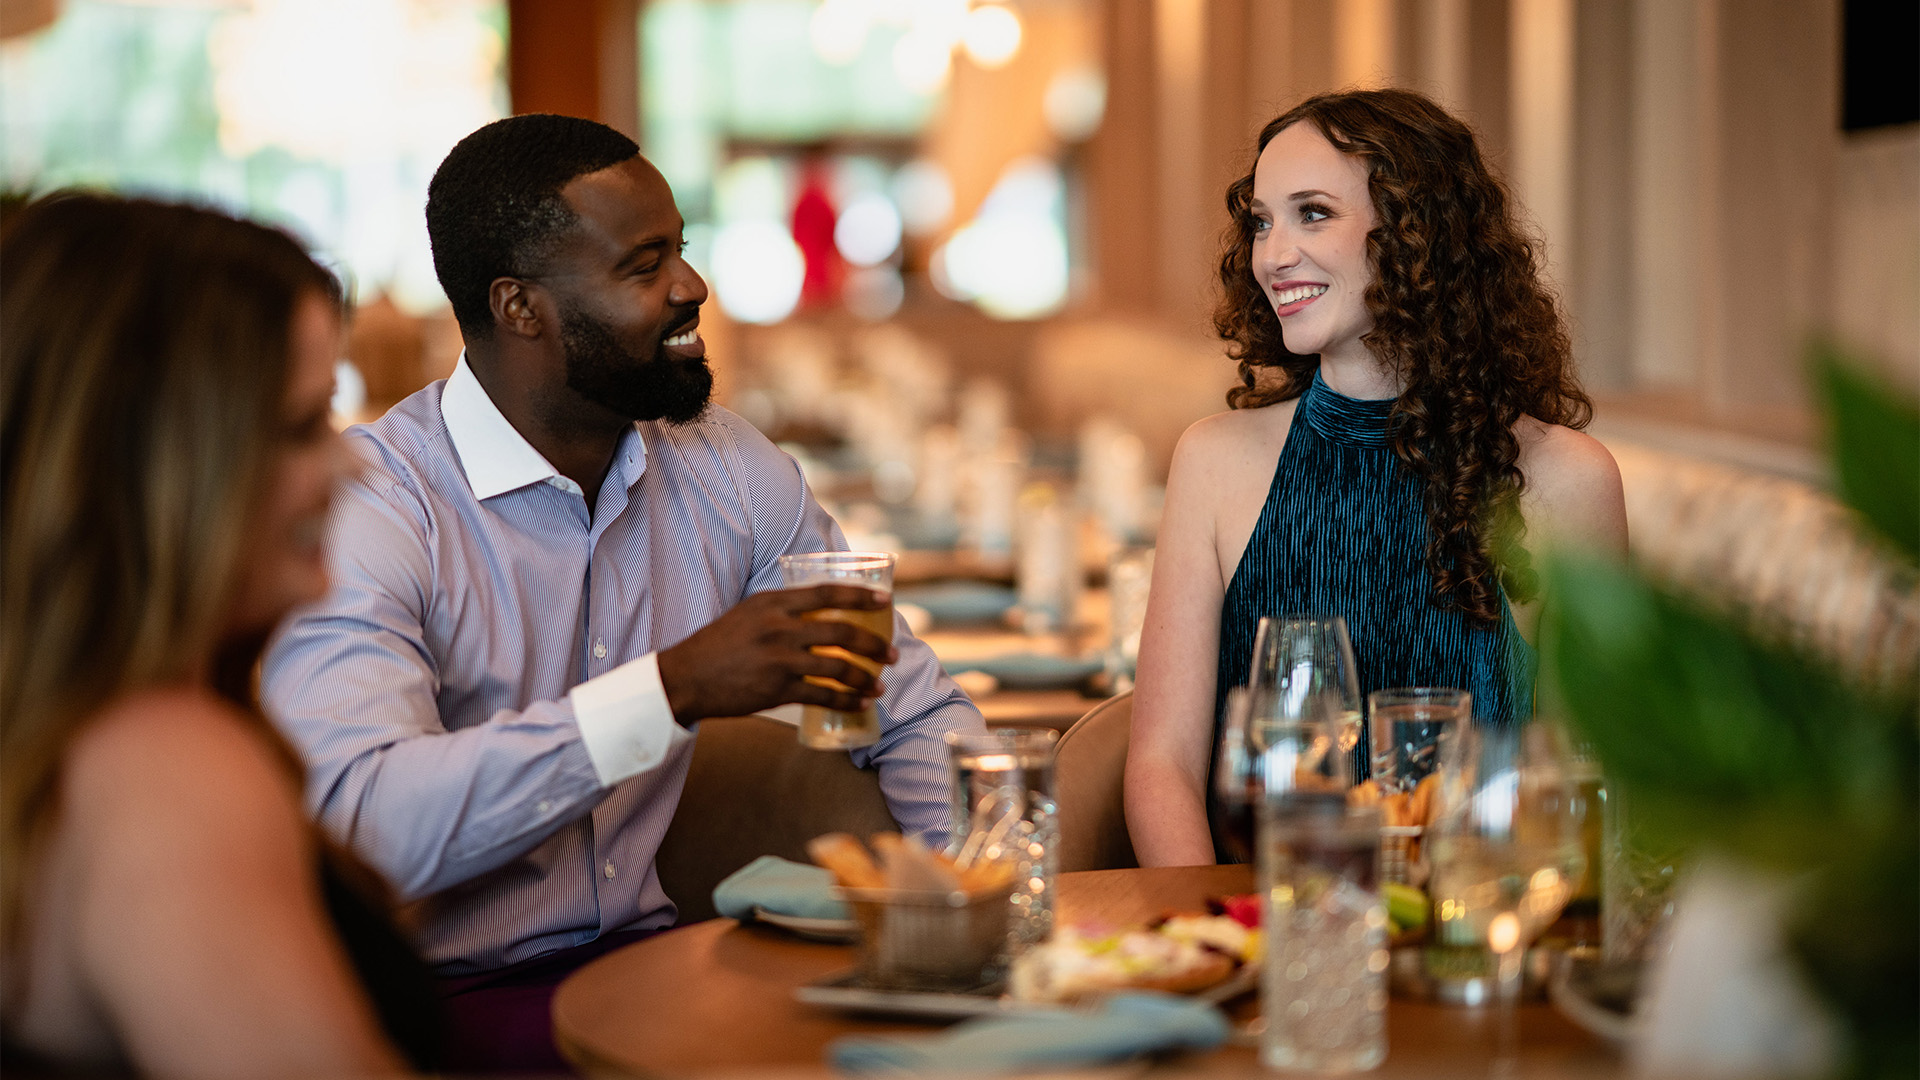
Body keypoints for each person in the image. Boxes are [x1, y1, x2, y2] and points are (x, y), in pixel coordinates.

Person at [259, 114, 985, 1071]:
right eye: (645, 267)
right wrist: (667, 692)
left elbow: (913, 713)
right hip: (445, 1011)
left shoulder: (723, 464)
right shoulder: (380, 508)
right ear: (521, 308)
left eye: (681, 250)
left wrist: (987, 929)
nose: (693, 287)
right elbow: (365, 826)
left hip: (666, 970)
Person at [1124, 88, 1628, 867]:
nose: (1272, 254)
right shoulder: (1213, 460)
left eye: (1313, 213)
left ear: (1416, 232)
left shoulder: (1568, 479)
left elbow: (1591, 785)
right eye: (1262, 221)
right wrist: (1232, 938)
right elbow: (1161, 769)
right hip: (1268, 937)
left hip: (1479, 933)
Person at [0, 194, 436, 1075]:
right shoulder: (166, 768)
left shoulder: (74, 733)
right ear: (153, 462)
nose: (350, 459)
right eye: (301, 424)